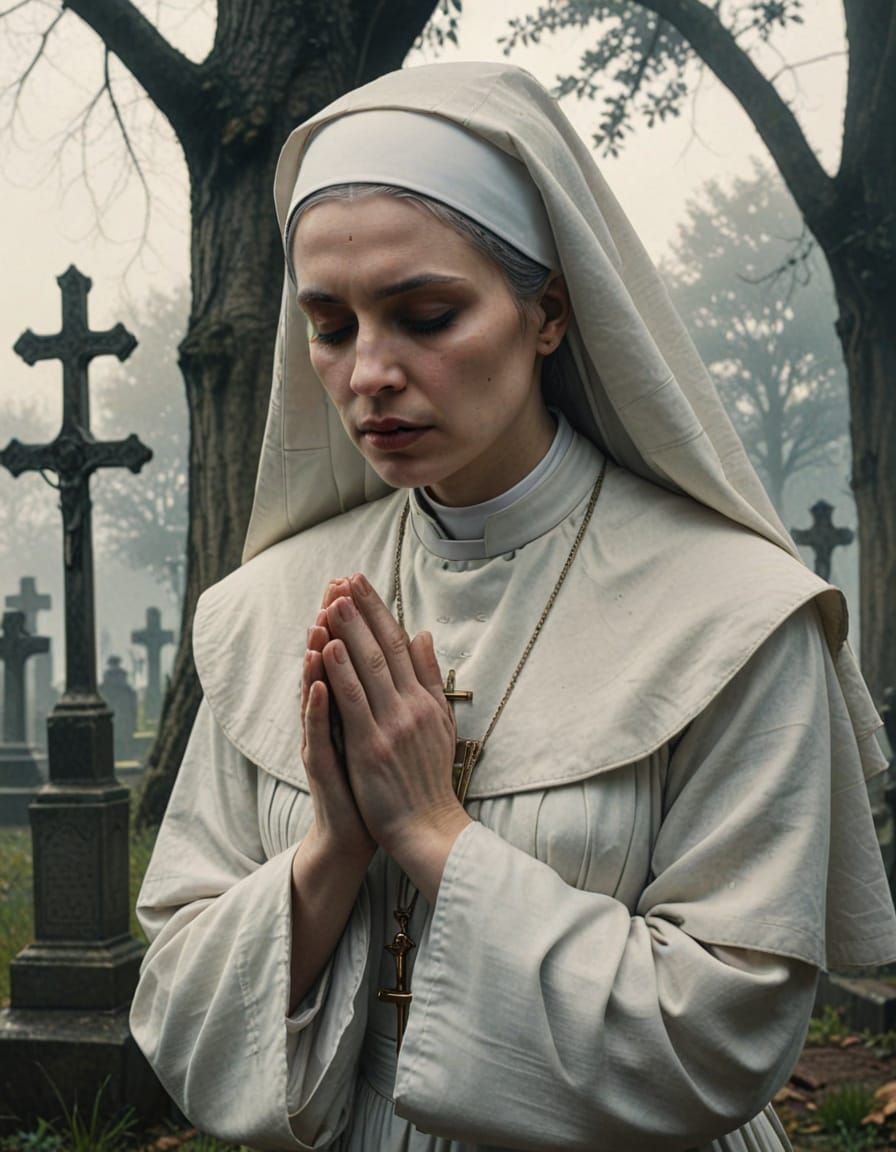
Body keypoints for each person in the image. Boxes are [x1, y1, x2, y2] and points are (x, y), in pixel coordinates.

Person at [130, 61, 896, 1152]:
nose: (368, 374)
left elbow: (722, 1028)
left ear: (545, 314)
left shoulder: (729, 616)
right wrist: (333, 848)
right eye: (332, 325)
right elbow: (177, 992)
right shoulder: (268, 611)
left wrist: (434, 834)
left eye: (425, 315)